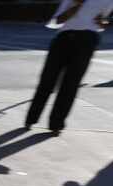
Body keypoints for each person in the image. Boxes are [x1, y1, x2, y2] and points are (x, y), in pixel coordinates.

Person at [25, 0, 113, 134]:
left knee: (71, 84)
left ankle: (56, 124)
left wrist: (103, 22)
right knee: (47, 80)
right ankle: (31, 119)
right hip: (63, 38)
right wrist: (77, 5)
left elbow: (103, 22)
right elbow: (57, 20)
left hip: (88, 40)